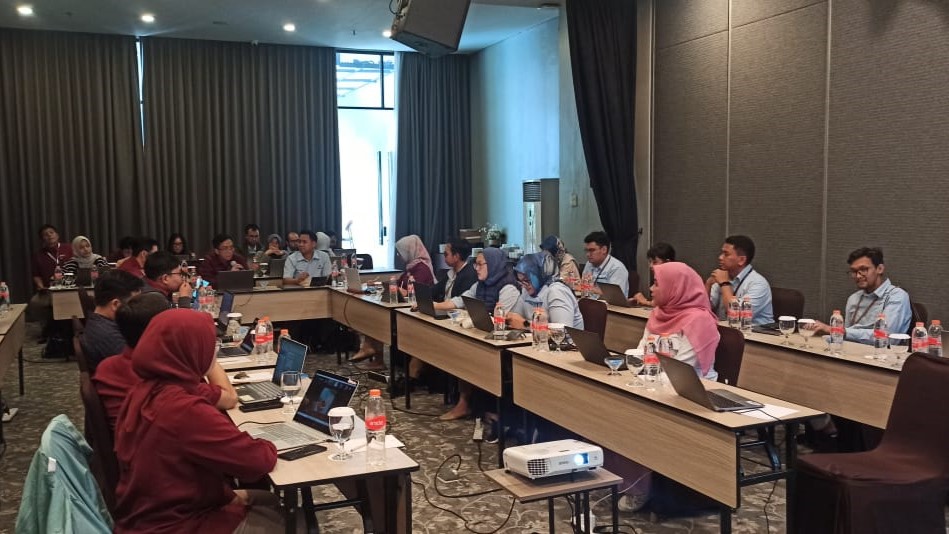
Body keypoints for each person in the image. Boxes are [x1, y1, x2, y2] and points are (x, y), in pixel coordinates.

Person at [112, 309, 280, 533]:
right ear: (192, 350)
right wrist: (270, 442)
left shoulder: (144, 389)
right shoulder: (184, 409)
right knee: (291, 519)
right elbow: (257, 462)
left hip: (148, 512)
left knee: (270, 500)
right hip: (177, 523)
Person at [93, 293, 237, 431]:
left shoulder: (106, 367)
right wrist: (208, 352)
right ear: (161, 330)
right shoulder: (171, 381)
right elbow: (229, 398)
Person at [434, 247, 520, 420]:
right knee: (460, 347)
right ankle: (466, 403)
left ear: (493, 264)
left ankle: (476, 405)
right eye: (475, 265)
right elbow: (461, 300)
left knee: (467, 350)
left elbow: (500, 318)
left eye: (480, 264)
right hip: (483, 334)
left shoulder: (509, 288)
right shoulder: (480, 284)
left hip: (503, 342)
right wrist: (435, 305)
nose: (477, 269)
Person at [352, 235, 436, 370]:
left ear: (409, 251)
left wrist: (401, 290)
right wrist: (378, 284)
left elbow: (415, 292)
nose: (398, 255)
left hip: (415, 311)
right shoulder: (411, 266)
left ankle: (374, 354)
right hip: (404, 307)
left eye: (400, 252)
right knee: (375, 313)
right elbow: (398, 283)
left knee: (379, 317)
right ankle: (374, 355)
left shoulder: (422, 269)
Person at [808, 247, 912, 344]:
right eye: (854, 271)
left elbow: (886, 337)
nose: (858, 276)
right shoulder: (854, 298)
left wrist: (836, 330)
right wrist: (822, 333)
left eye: (864, 270)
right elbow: (845, 338)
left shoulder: (896, 296)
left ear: (879, 269)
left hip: (883, 354)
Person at [638, 261, 720, 380]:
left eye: (656, 284)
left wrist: (643, 378)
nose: (651, 288)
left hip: (692, 386)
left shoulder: (700, 321)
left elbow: (680, 370)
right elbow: (641, 353)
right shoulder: (658, 313)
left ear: (675, 287)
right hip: (656, 380)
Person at [81, 270, 144, 373]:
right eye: (134, 304)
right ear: (115, 304)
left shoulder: (100, 323)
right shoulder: (108, 335)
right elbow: (138, 369)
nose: (138, 308)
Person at [705, 235, 773, 325]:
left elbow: (737, 316)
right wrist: (708, 284)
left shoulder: (758, 283)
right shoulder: (721, 277)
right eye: (722, 253)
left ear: (741, 260)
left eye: (726, 254)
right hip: (724, 330)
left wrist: (724, 284)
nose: (720, 257)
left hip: (752, 332)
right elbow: (704, 309)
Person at [507, 252, 584, 330]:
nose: (524, 285)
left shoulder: (557, 291)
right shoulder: (526, 291)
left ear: (539, 275)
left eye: (526, 280)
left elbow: (562, 331)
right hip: (539, 337)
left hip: (570, 338)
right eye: (521, 281)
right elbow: (514, 318)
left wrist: (525, 324)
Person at [582, 231, 630, 297]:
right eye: (586, 250)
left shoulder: (617, 268)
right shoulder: (589, 264)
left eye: (592, 250)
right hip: (589, 301)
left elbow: (615, 296)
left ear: (604, 250)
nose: (587, 254)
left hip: (608, 303)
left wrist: (591, 289)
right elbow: (584, 288)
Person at [630, 242, 676, 306]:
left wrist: (645, 302)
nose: (651, 266)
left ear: (667, 262)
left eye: (655, 262)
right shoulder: (657, 275)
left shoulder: (676, 279)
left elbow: (667, 305)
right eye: (650, 262)